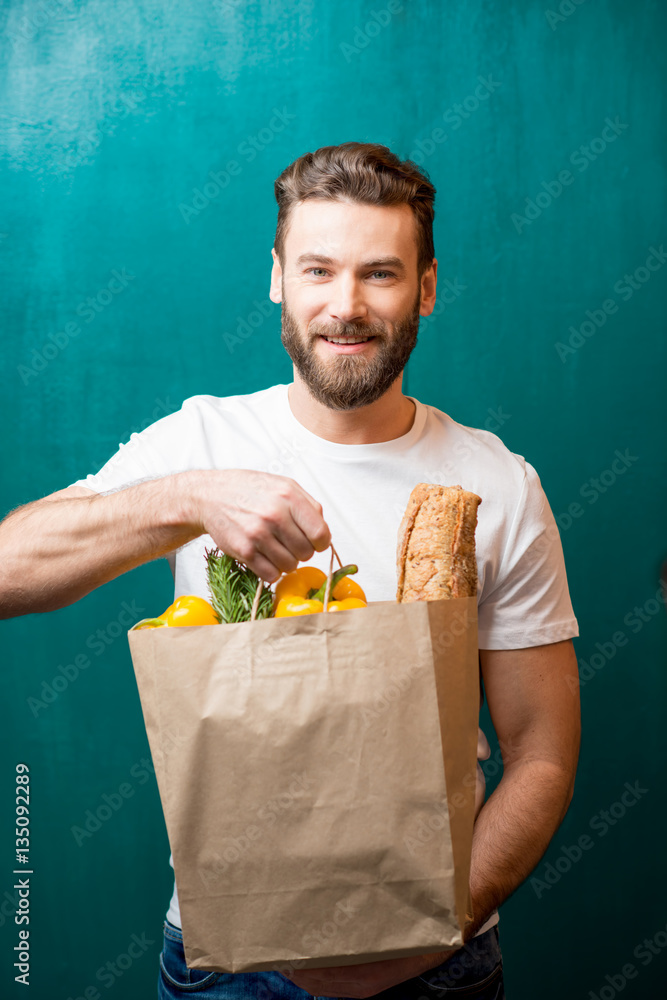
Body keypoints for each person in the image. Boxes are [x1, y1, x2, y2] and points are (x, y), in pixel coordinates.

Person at [0, 142, 581, 999]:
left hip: (438, 965)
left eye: (380, 275)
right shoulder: (200, 441)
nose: (344, 307)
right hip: (223, 959)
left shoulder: (496, 482)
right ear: (277, 277)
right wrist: (190, 501)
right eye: (318, 270)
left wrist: (436, 921)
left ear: (425, 287)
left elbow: (541, 754)